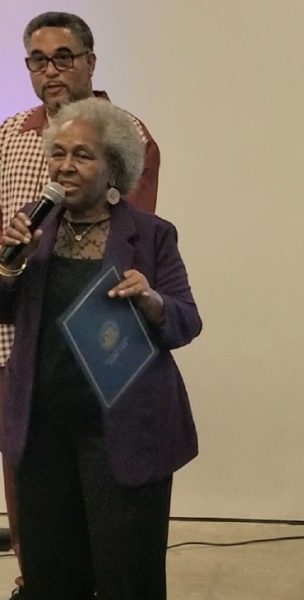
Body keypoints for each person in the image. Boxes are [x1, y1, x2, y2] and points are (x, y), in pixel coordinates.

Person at [0, 97, 201, 600]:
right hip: (43, 431)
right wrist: (9, 266)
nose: (65, 166)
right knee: (51, 575)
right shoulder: (32, 224)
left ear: (114, 166)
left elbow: (186, 320)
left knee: (126, 576)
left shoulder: (151, 236)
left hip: (122, 431)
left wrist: (152, 301)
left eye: (82, 155)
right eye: (59, 153)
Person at [0, 12, 160, 595]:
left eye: (64, 56)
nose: (52, 70)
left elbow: (128, 237)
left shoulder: (125, 132)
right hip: (16, 320)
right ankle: (36, 577)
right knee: (23, 458)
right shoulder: (10, 133)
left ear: (91, 61)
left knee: (100, 471)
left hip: (93, 333)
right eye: (38, 60)